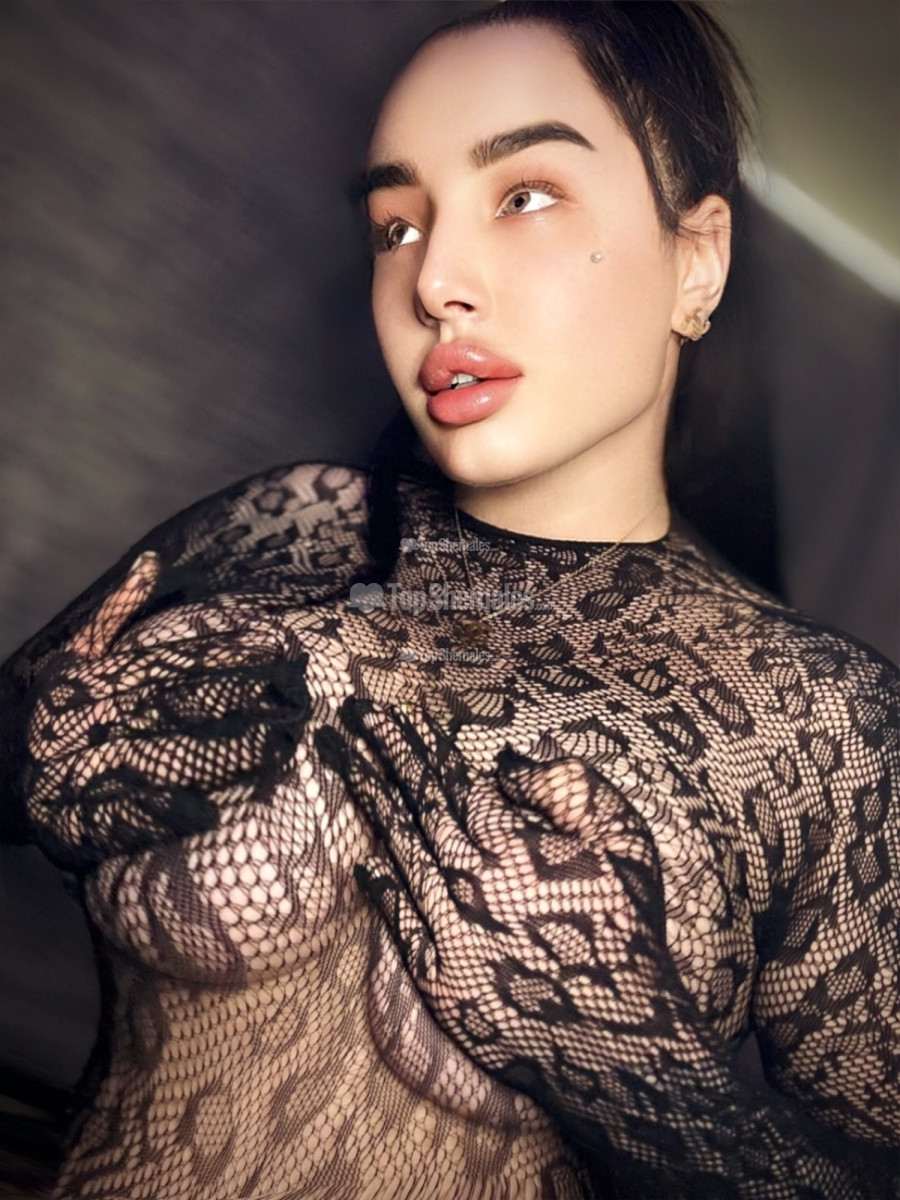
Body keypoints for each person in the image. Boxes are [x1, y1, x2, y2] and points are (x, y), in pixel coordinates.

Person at [1, 3, 897, 1199]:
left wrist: (643, 1080)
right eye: (398, 224)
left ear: (698, 260)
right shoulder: (293, 529)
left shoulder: (818, 720)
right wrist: (40, 749)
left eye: (524, 195)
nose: (434, 281)